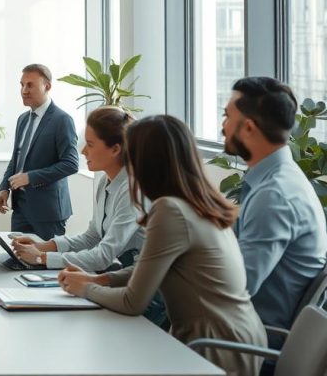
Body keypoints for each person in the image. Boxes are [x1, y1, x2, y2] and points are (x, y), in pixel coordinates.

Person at [58, 115, 266, 376]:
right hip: (236, 338)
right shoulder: (196, 202)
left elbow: (133, 301)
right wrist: (100, 280)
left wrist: (86, 288)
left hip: (216, 349)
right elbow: (149, 268)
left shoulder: (170, 210)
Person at [222, 77, 327, 344]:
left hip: (249, 343)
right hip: (244, 329)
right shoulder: (275, 179)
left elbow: (236, 287)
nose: (223, 127)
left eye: (227, 116)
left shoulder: (274, 195)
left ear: (248, 127)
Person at [11, 106, 143, 271]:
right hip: (117, 276)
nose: (83, 151)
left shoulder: (133, 189)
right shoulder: (105, 182)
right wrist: (43, 246)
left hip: (136, 284)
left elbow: (103, 256)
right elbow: (92, 237)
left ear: (115, 149)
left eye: (90, 144)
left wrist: (41, 257)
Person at [0, 63, 79, 239]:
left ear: (47, 86)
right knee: (19, 261)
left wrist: (30, 177)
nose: (24, 90)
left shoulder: (62, 120)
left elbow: (71, 164)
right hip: (20, 209)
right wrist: (4, 188)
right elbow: (16, 159)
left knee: (47, 264)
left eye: (30, 85)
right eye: (22, 84)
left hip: (48, 212)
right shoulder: (23, 119)